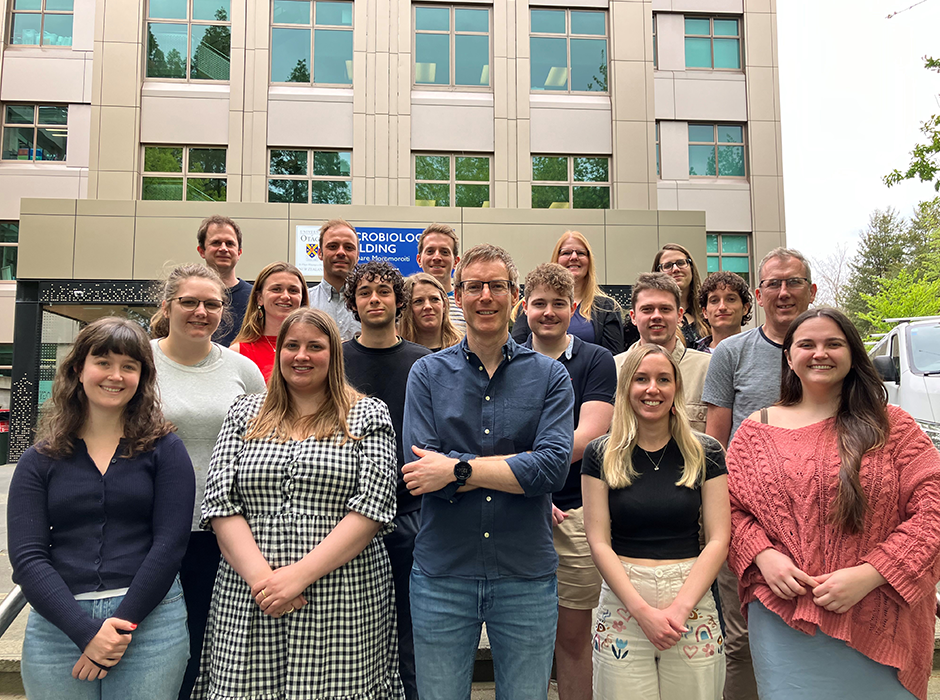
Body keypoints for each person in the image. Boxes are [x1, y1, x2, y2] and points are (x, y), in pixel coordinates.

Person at [726, 308, 940, 700]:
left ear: (853, 354)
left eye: (833, 344)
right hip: (781, 615)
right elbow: (729, 510)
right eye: (806, 344)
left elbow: (933, 512)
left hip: (880, 612)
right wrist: (762, 556)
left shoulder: (893, 427)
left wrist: (872, 574)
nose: (819, 353)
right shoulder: (755, 431)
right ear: (789, 357)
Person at [195, 308, 403, 700]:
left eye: (315, 346)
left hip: (343, 588)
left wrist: (298, 576)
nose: (301, 355)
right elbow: (221, 502)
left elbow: (373, 507)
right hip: (251, 588)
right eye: (292, 345)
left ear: (334, 354)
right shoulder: (244, 412)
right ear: (279, 353)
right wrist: (265, 581)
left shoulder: (367, 414)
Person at [402, 244, 574, 700]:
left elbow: (552, 469)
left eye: (497, 286)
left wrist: (456, 467)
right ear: (457, 295)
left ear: (514, 295)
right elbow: (422, 472)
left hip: (525, 575)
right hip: (443, 573)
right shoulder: (426, 373)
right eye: (474, 286)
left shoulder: (551, 377)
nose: (485, 296)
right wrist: (514, 468)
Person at [8, 317, 195, 700]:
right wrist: (86, 633)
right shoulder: (39, 459)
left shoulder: (166, 450)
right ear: (79, 369)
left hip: (151, 624)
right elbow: (27, 558)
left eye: (129, 366)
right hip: (59, 625)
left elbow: (170, 545)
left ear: (142, 377)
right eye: (103, 362)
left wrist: (118, 628)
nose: (116, 375)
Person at [582, 344, 729, 700]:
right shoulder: (601, 454)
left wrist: (680, 607)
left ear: (676, 387)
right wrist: (642, 611)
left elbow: (719, 538)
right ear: (626, 388)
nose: (653, 389)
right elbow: (598, 541)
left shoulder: (706, 451)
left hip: (691, 598)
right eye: (641, 379)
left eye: (664, 379)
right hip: (624, 598)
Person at [701, 246, 816, 700]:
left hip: (820, 515)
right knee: (743, 636)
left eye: (794, 282)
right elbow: (716, 446)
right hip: (748, 520)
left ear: (812, 290)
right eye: (774, 283)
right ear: (760, 293)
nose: (784, 292)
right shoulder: (730, 353)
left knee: (815, 628)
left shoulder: (830, 345)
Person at [149, 263, 266, 700]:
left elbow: (261, 445)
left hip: (222, 533)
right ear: (166, 307)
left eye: (212, 304)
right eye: (189, 302)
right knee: (155, 650)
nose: (201, 311)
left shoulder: (242, 370)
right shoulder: (140, 361)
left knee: (207, 648)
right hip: (150, 531)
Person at [522, 263, 617, 700]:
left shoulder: (596, 360)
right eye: (539, 303)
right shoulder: (507, 358)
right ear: (524, 308)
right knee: (523, 644)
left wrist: (534, 476)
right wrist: (532, 491)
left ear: (573, 308)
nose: (548, 312)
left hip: (575, 513)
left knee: (574, 640)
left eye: (558, 304)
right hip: (516, 511)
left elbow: (590, 433)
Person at [342, 260, 431, 700]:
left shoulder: (427, 363)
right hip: (344, 515)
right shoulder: (334, 358)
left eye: (383, 292)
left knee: (412, 633)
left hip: (412, 513)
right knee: (355, 631)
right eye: (364, 293)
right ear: (353, 302)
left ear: (399, 301)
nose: (374, 299)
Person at [615, 273, 711, 433]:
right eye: (647, 309)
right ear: (633, 316)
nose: (656, 316)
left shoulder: (707, 369)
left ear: (680, 315)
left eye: (665, 309)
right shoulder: (612, 369)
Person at [512, 230, 625, 355]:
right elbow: (517, 352)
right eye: (566, 253)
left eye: (581, 253)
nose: (574, 257)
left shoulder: (607, 308)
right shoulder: (527, 306)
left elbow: (614, 357)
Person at [230, 261, 309, 381]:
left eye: (293, 290)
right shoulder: (238, 353)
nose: (285, 296)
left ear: (302, 298)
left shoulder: (316, 348)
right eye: (276, 289)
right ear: (259, 298)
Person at [196, 215, 251, 347]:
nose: (223, 248)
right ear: (202, 251)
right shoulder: (188, 295)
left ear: (239, 252)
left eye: (230, 243)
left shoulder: (255, 297)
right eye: (216, 243)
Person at [309, 218, 360, 341]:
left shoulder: (372, 304)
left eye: (349, 247)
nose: (341, 252)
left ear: (357, 255)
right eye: (333, 246)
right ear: (320, 253)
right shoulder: (303, 301)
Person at [652, 244, 707, 347]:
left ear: (691, 268)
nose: (676, 269)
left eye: (681, 263)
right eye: (667, 266)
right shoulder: (646, 319)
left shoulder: (708, 314)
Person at [416, 223, 466, 333]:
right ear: (419, 260)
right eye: (430, 251)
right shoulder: (405, 303)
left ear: (456, 262)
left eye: (444, 252)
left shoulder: (466, 303)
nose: (437, 257)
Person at [399, 272, 462, 351]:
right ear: (407, 308)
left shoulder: (463, 350)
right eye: (418, 301)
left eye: (434, 299)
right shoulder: (399, 352)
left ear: (444, 305)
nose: (428, 306)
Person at [695, 271, 752, 354]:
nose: (722, 307)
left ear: (745, 308)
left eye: (731, 299)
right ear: (705, 312)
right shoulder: (692, 356)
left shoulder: (759, 353)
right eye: (714, 301)